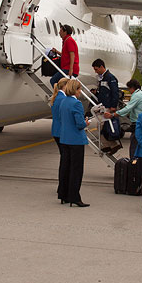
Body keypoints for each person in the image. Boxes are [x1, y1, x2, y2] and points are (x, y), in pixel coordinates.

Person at [58, 79, 90, 207]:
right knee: (76, 169)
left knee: (65, 167)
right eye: (79, 89)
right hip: (76, 140)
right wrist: (86, 123)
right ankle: (74, 196)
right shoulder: (76, 104)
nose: (80, 92)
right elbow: (79, 124)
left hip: (65, 138)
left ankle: (63, 194)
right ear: (75, 90)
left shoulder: (63, 101)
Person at [106, 79, 142, 159]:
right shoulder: (141, 93)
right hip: (141, 122)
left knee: (134, 145)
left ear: (133, 87)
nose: (129, 91)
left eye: (129, 89)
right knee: (137, 144)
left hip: (138, 123)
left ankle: (133, 163)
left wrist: (114, 114)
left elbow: (128, 108)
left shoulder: (137, 95)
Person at [50, 77, 69, 203]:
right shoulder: (63, 99)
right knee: (65, 161)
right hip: (62, 132)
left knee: (63, 158)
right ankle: (63, 186)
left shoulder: (56, 98)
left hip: (56, 130)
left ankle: (61, 186)